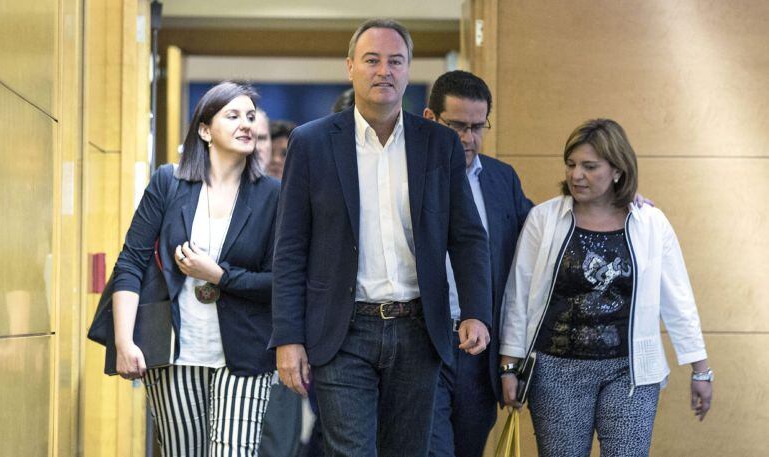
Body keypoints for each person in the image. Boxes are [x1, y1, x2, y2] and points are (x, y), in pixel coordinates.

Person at [270, 18, 492, 456]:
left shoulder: (438, 144)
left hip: (418, 329)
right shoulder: (311, 143)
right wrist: (288, 338)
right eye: (372, 60)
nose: (384, 71)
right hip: (342, 330)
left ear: (408, 70)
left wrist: (475, 311)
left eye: (396, 61)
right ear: (350, 66)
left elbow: (466, 236)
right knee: (352, 451)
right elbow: (290, 248)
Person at [499, 119, 713, 456]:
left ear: (617, 170)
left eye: (589, 166)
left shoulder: (650, 223)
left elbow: (678, 299)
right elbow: (518, 296)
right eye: (571, 165)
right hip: (557, 369)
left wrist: (701, 370)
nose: (576, 175)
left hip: (630, 370)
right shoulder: (544, 219)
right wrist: (509, 366)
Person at [112, 81, 281, 456]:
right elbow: (131, 261)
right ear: (205, 130)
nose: (246, 125)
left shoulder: (273, 195)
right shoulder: (168, 182)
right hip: (175, 352)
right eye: (233, 115)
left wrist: (218, 276)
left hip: (246, 353)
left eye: (251, 117)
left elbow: (281, 281)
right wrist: (125, 341)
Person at [423, 70, 533, 457]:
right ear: (429, 119)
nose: (468, 138)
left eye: (476, 126)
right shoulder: (405, 176)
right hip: (422, 342)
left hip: (477, 350)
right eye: (457, 126)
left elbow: (544, 232)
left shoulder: (502, 179)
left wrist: (616, 201)